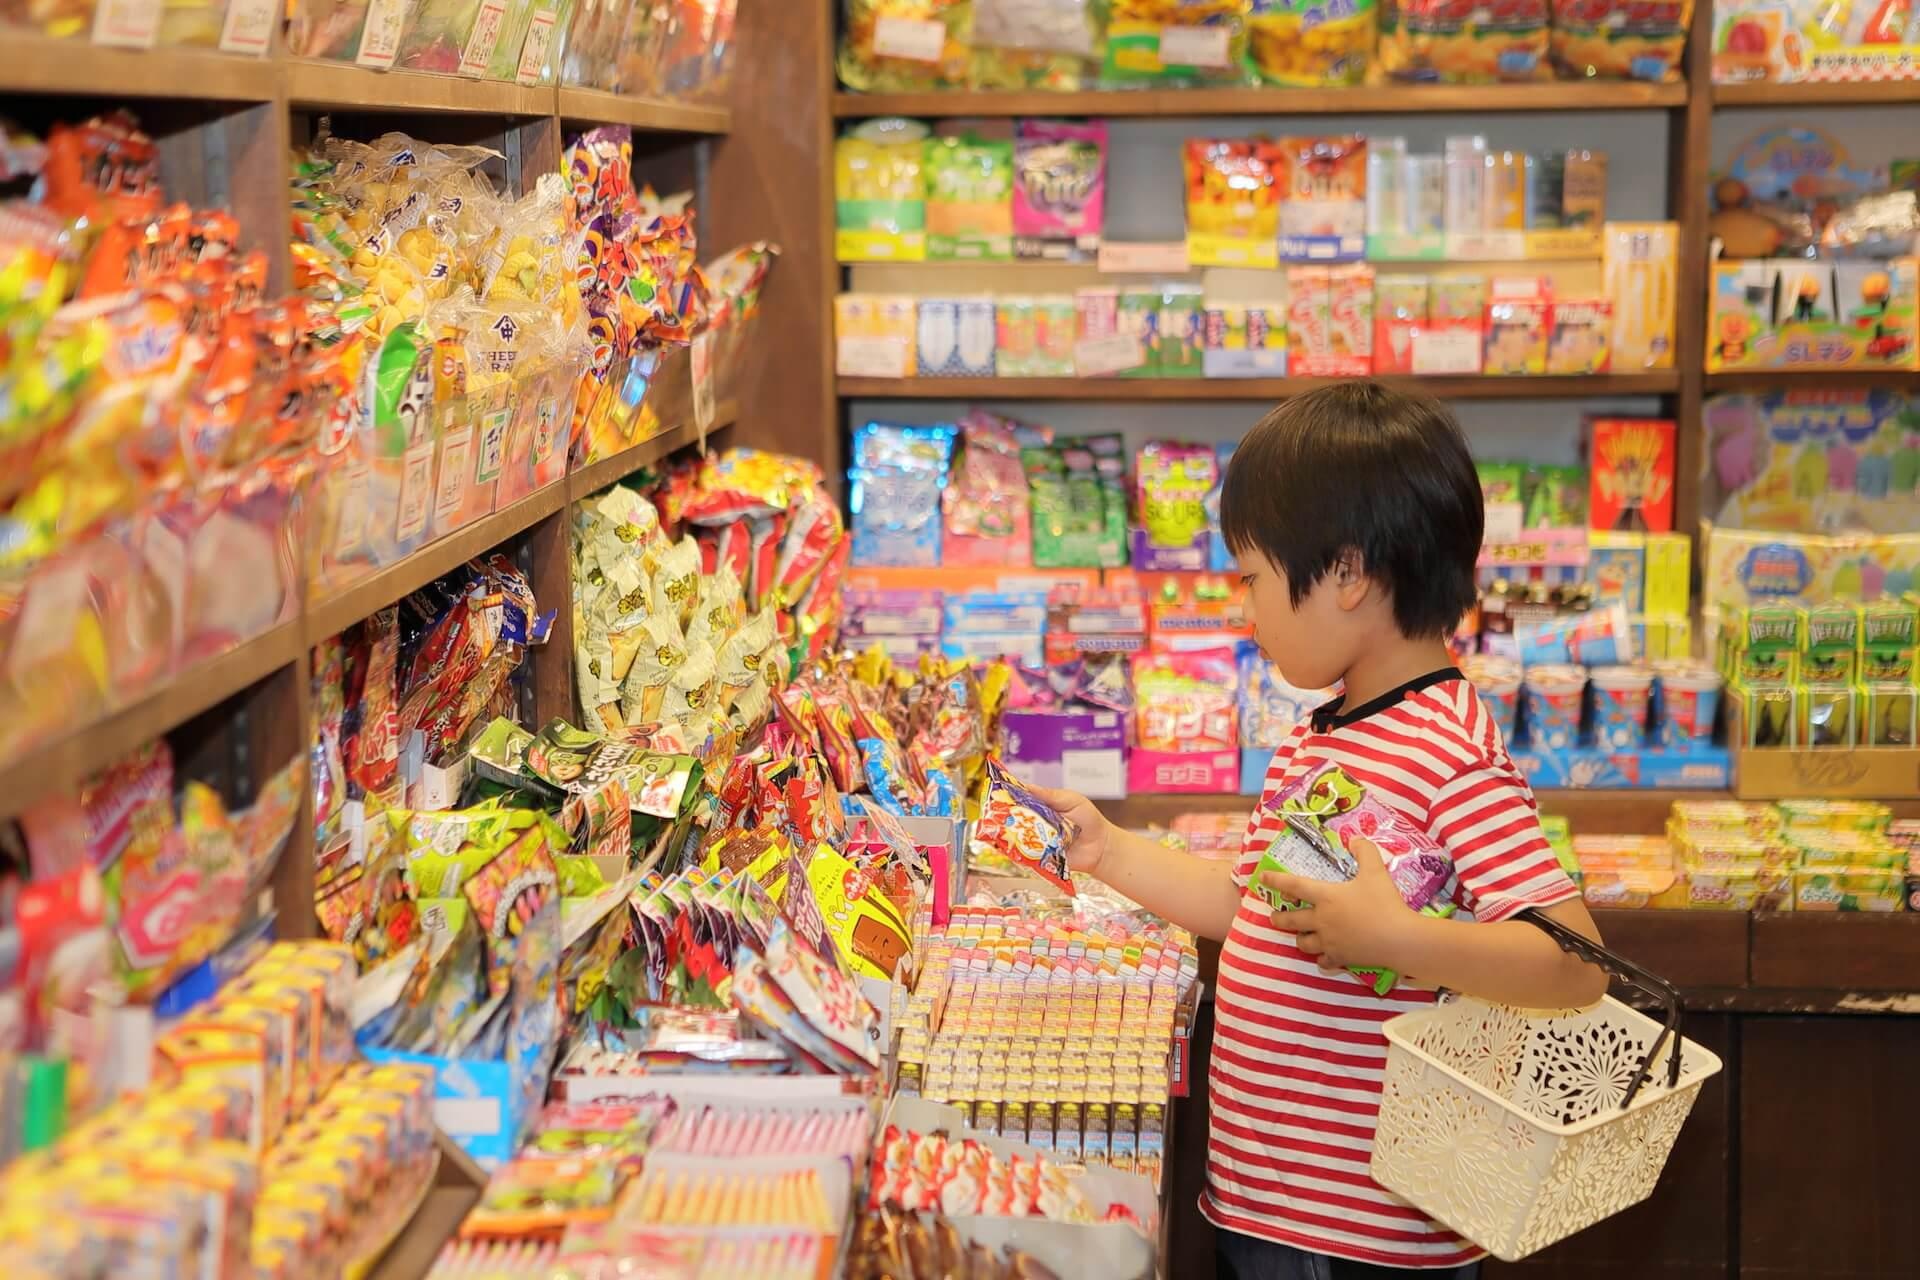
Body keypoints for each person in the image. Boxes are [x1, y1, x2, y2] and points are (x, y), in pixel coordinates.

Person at [1039, 383, 1608, 1280]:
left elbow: (1575, 963)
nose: (1243, 610)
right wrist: (1107, 849)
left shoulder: (1447, 747)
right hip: (1266, 1206)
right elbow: (1249, 907)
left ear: (1346, 575)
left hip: (1369, 1237)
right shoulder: (1324, 732)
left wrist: (1398, 940)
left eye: (1254, 579)